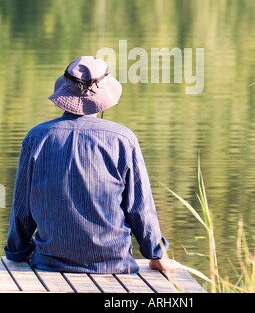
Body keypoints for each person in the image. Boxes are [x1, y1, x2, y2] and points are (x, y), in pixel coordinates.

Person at [4, 56, 181, 274]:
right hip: (114, 264)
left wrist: (18, 251)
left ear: (64, 91)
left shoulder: (36, 138)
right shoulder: (123, 139)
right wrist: (156, 254)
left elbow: (22, 208)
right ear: (104, 97)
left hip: (49, 263)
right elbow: (140, 208)